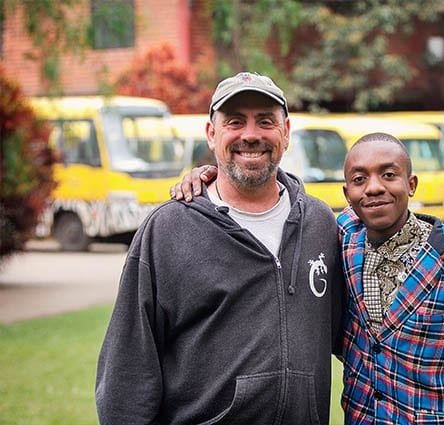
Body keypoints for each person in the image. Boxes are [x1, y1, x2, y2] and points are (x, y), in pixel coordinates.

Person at [173, 134, 444, 424]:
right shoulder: (338, 236)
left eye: (388, 175)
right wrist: (210, 176)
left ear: (412, 183)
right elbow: (271, 205)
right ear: (347, 194)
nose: (373, 188)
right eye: (359, 180)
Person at [96, 72, 344, 425]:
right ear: (212, 134)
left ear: (285, 132)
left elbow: (352, 333)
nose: (251, 135)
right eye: (235, 121)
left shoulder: (320, 223)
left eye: (265, 121)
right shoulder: (169, 229)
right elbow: (128, 366)